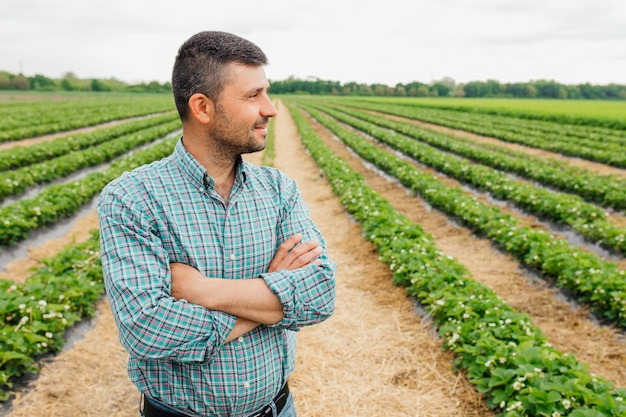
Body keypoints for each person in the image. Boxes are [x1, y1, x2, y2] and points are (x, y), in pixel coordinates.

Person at [97, 31, 336, 417]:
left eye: (266, 93)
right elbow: (146, 328)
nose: (270, 108)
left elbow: (319, 294)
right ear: (202, 108)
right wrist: (271, 300)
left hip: (277, 409)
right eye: (252, 95)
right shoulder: (132, 198)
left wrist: (202, 290)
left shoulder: (278, 190)